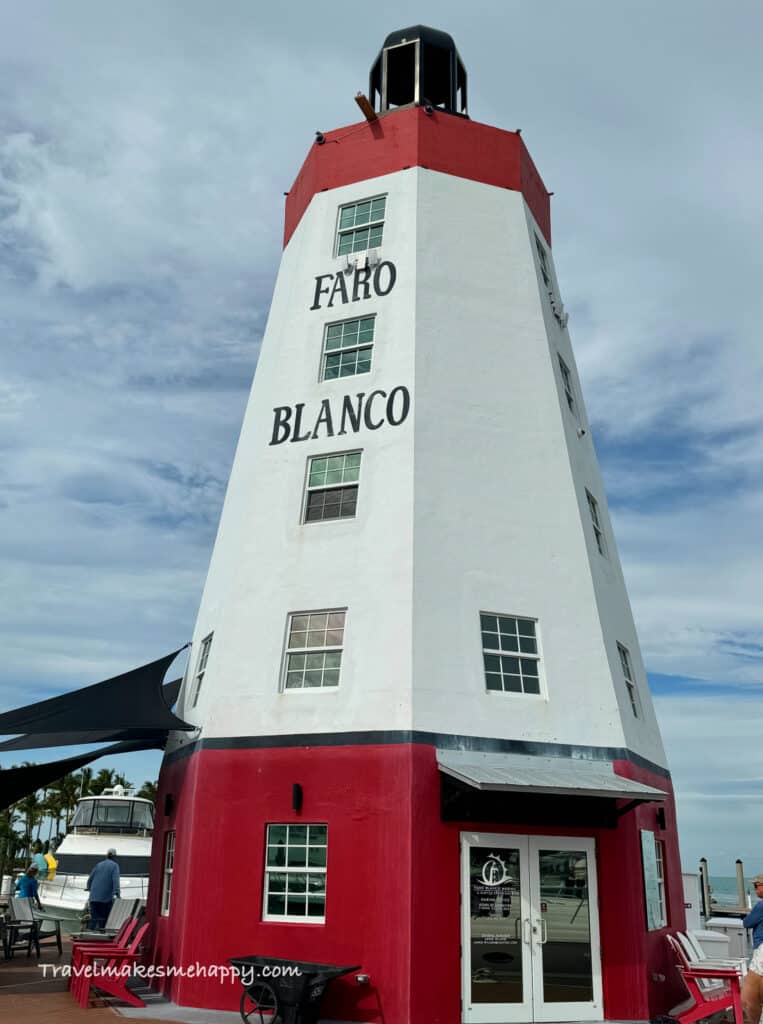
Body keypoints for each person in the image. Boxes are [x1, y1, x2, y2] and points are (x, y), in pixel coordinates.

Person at [741, 874, 763, 1024]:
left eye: (757, 885)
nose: (755, 889)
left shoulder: (761, 906)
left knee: (748, 998)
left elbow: (747, 923)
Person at [86, 848, 121, 929]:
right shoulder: (115, 866)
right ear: (115, 857)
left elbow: (90, 879)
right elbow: (115, 880)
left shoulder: (99, 864)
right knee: (104, 920)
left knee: (93, 919)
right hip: (105, 899)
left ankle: (89, 936)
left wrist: (89, 888)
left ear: (106, 855)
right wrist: (117, 894)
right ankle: (101, 936)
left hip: (93, 898)